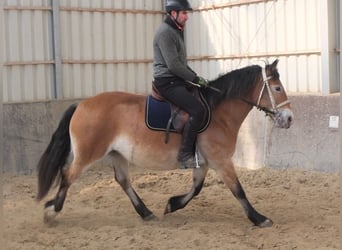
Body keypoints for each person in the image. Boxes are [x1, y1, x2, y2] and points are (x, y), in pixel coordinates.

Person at [153, 0, 208, 169]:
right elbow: (174, 65)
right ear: (173, 14)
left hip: (176, 78)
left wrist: (196, 77)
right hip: (167, 81)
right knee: (198, 110)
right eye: (184, 13)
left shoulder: (175, 32)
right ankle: (185, 155)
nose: (187, 17)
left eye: (187, 13)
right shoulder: (165, 33)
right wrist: (194, 79)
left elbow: (181, 63)